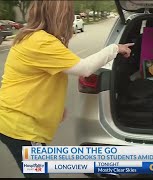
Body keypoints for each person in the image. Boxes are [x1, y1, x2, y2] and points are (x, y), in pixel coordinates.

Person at [0, 1, 133, 178]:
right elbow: (84, 68)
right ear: (59, 16)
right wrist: (115, 48)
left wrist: (55, 108)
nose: (70, 18)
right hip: (20, 125)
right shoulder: (42, 42)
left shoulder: (33, 38)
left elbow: (41, 79)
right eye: (68, 14)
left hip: (16, 120)